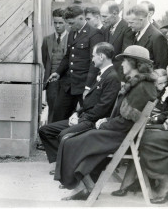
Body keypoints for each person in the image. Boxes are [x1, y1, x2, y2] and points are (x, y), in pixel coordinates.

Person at [54, 45, 157, 201]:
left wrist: (103, 124)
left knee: (71, 141)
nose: (121, 65)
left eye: (125, 61)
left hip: (120, 135)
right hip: (118, 132)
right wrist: (107, 121)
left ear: (134, 63)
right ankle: (87, 188)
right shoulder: (139, 84)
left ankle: (89, 188)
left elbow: (125, 122)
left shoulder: (141, 87)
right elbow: (125, 118)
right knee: (70, 139)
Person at [39, 42, 120, 174]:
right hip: (84, 117)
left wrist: (82, 119)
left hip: (93, 122)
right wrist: (76, 114)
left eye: (93, 56)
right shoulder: (103, 74)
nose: (91, 59)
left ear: (101, 57)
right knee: (45, 130)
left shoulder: (112, 77)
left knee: (64, 136)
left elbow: (103, 108)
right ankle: (62, 163)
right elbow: (89, 101)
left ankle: (67, 168)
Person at [111, 68, 168, 197]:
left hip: (166, 125)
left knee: (143, 140)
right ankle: (129, 182)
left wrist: (162, 118)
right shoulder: (159, 89)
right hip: (162, 122)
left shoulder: (167, 89)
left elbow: (167, 111)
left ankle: (164, 183)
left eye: (163, 83)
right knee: (138, 140)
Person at [48, 5, 104, 122]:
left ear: (81, 18)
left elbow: (94, 64)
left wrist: (88, 87)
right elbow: (68, 56)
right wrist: (58, 72)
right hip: (69, 84)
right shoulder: (72, 33)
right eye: (68, 23)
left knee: (86, 117)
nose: (69, 26)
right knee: (58, 115)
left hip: (84, 85)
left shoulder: (94, 34)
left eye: (71, 23)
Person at [42, 8, 69, 124]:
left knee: (65, 111)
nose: (57, 26)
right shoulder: (47, 40)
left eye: (60, 23)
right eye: (55, 23)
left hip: (67, 82)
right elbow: (45, 60)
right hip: (52, 82)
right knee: (52, 109)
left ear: (66, 23)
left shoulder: (72, 39)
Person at [100, 0, 134, 81]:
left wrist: (122, 79)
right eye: (101, 16)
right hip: (106, 74)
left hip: (118, 76)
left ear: (115, 14)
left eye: (105, 16)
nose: (102, 20)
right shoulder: (106, 28)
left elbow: (125, 57)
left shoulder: (127, 28)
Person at [127, 4, 168, 69]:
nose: (128, 25)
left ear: (141, 20)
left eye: (131, 22)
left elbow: (161, 67)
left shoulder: (157, 37)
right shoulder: (137, 34)